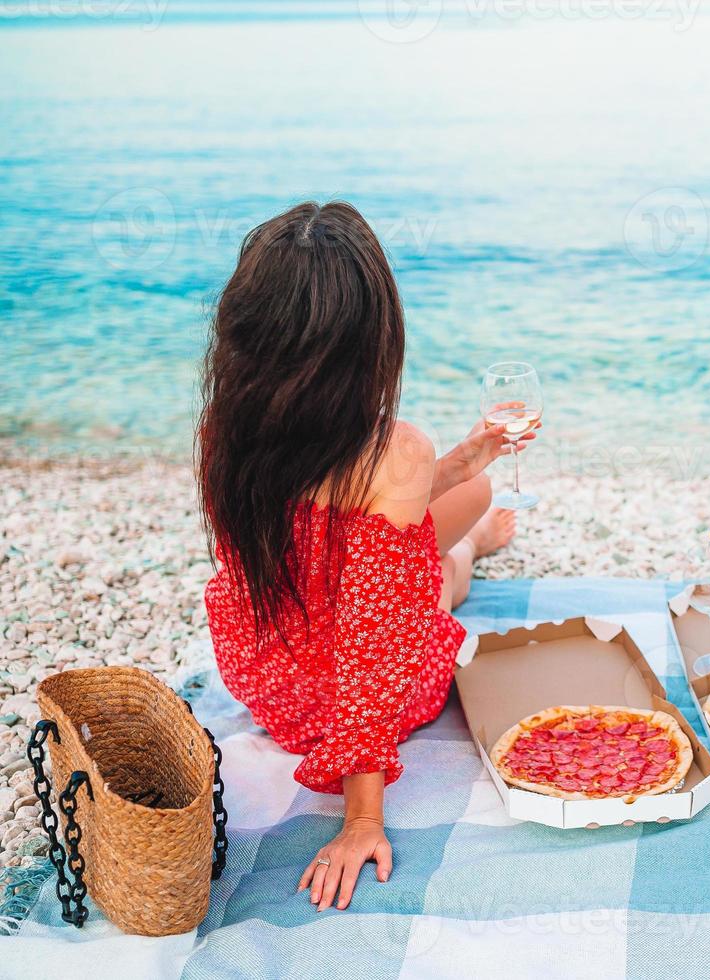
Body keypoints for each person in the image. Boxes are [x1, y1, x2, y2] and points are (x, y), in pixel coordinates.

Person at [197, 201, 529, 912]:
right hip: (339, 701)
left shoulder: (228, 421)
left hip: (268, 673)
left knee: (472, 486)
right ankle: (463, 554)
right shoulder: (394, 450)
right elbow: (373, 651)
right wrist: (361, 819)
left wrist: (458, 462)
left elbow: (316, 518)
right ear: (372, 339)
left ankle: (459, 528)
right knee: (439, 583)